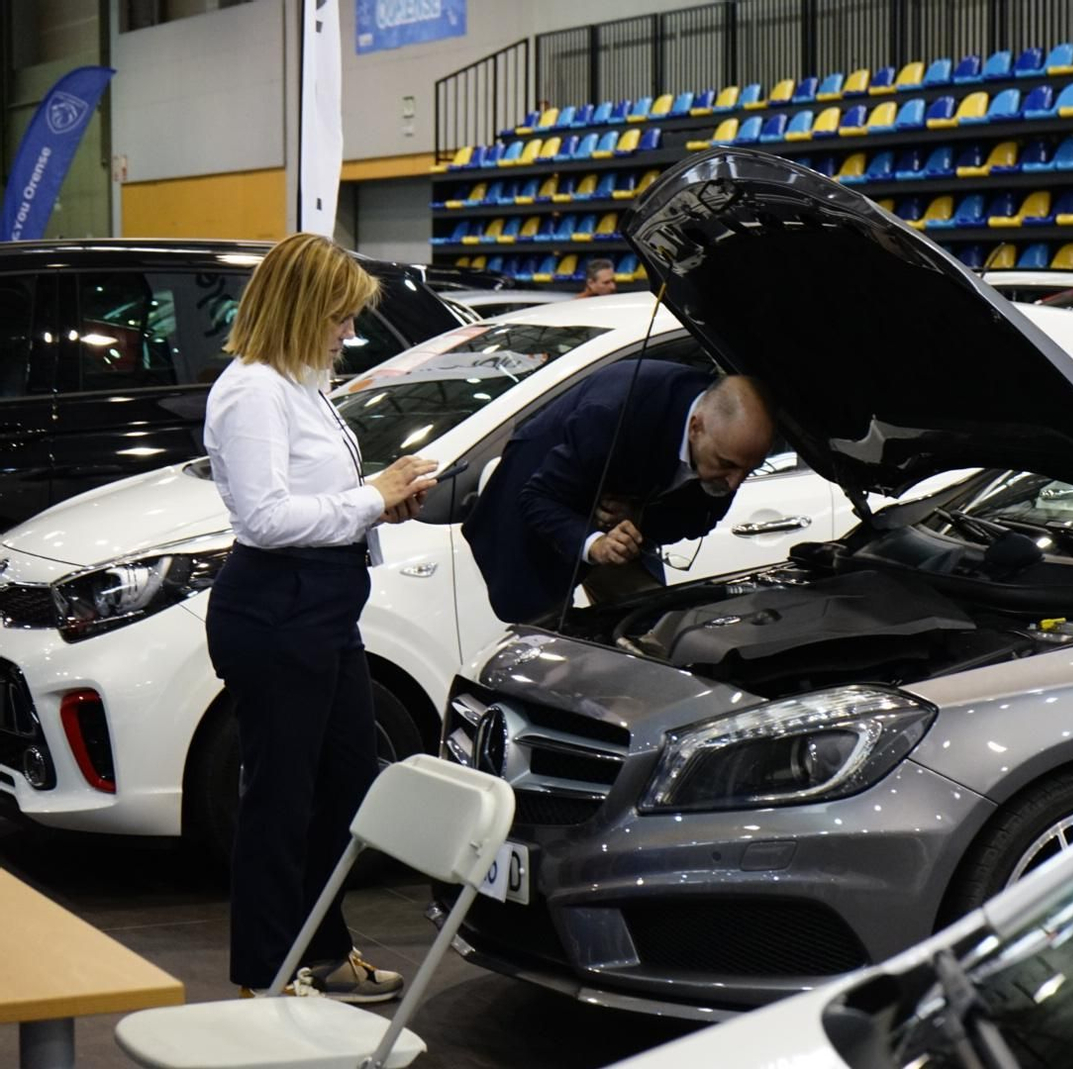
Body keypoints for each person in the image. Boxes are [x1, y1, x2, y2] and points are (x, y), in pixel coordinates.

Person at [203, 233, 438, 1001]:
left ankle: (322, 947)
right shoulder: (252, 391)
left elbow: (314, 502)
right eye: (340, 317)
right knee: (279, 798)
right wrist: (373, 496)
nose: (347, 333)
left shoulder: (301, 386)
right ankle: (266, 973)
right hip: (279, 609)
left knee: (342, 787)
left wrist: (380, 505)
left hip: (323, 608)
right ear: (303, 309)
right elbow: (267, 517)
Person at [463, 359, 775, 623]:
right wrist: (596, 544)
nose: (734, 482)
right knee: (544, 633)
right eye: (727, 465)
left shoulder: (730, 443)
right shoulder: (614, 413)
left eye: (748, 470)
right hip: (539, 504)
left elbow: (697, 519)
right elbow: (537, 498)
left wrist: (639, 518)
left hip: (620, 507)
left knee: (650, 623)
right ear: (696, 427)